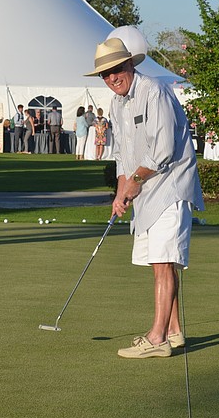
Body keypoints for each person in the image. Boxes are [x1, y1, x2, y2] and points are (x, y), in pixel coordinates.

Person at [85, 37, 205, 359]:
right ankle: (174, 331)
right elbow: (123, 154)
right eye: (105, 74)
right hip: (147, 191)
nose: (112, 78)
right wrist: (121, 191)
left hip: (170, 187)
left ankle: (157, 339)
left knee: (164, 262)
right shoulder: (116, 103)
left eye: (116, 69)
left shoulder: (154, 91)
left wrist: (135, 182)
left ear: (130, 64)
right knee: (159, 263)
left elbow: (163, 149)